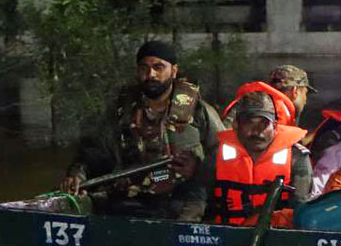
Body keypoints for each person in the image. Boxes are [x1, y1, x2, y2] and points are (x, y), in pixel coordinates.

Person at [60, 40, 222, 220]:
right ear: (137, 71)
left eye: (158, 67)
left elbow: (223, 154)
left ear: (174, 71)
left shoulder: (199, 110)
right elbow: (93, 151)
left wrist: (198, 169)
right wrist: (77, 175)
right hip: (131, 194)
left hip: (182, 198)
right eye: (144, 68)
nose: (151, 74)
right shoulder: (121, 109)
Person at [188, 89, 312, 226]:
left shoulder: (297, 158)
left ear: (275, 126)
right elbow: (195, 203)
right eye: (249, 123)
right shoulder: (216, 155)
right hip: (225, 237)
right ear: (236, 125)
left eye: (264, 124)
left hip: (277, 238)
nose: (257, 131)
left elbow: (301, 211)